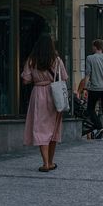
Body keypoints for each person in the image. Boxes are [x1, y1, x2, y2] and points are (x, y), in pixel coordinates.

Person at [20, 34, 66, 172]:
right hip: (54, 95)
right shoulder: (56, 60)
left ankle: (45, 163)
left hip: (38, 93)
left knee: (41, 127)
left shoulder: (32, 60)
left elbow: (26, 80)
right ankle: (51, 162)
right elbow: (64, 77)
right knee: (53, 129)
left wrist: (37, 78)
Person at [82, 40, 103, 140]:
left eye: (93, 46)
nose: (92, 48)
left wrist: (85, 88)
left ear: (95, 47)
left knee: (90, 109)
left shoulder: (90, 58)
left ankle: (99, 126)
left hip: (94, 88)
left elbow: (88, 74)